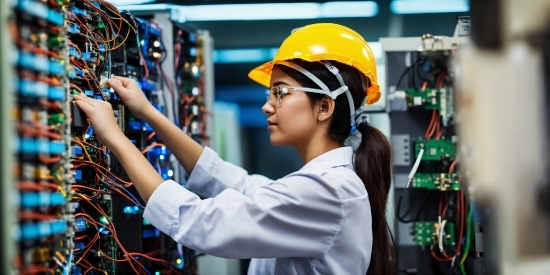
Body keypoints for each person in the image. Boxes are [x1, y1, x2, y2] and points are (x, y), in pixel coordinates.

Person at [74, 23, 393, 275]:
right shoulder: (327, 185)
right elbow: (234, 184)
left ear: (324, 107)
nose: (267, 106)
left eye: (280, 93)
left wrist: (114, 137)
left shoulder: (328, 191)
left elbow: (198, 222)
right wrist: (148, 113)